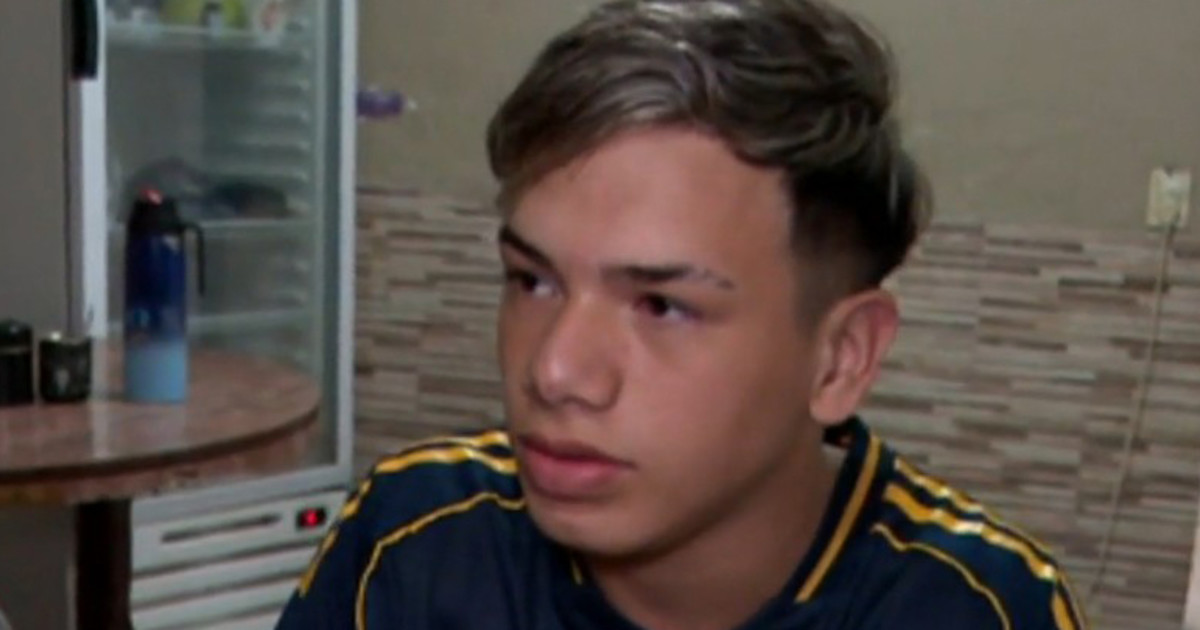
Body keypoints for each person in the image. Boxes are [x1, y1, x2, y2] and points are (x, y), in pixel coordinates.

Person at [276, 1, 1089, 628]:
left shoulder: (981, 609)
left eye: (661, 305)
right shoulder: (414, 543)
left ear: (841, 358)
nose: (555, 371)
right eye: (533, 281)